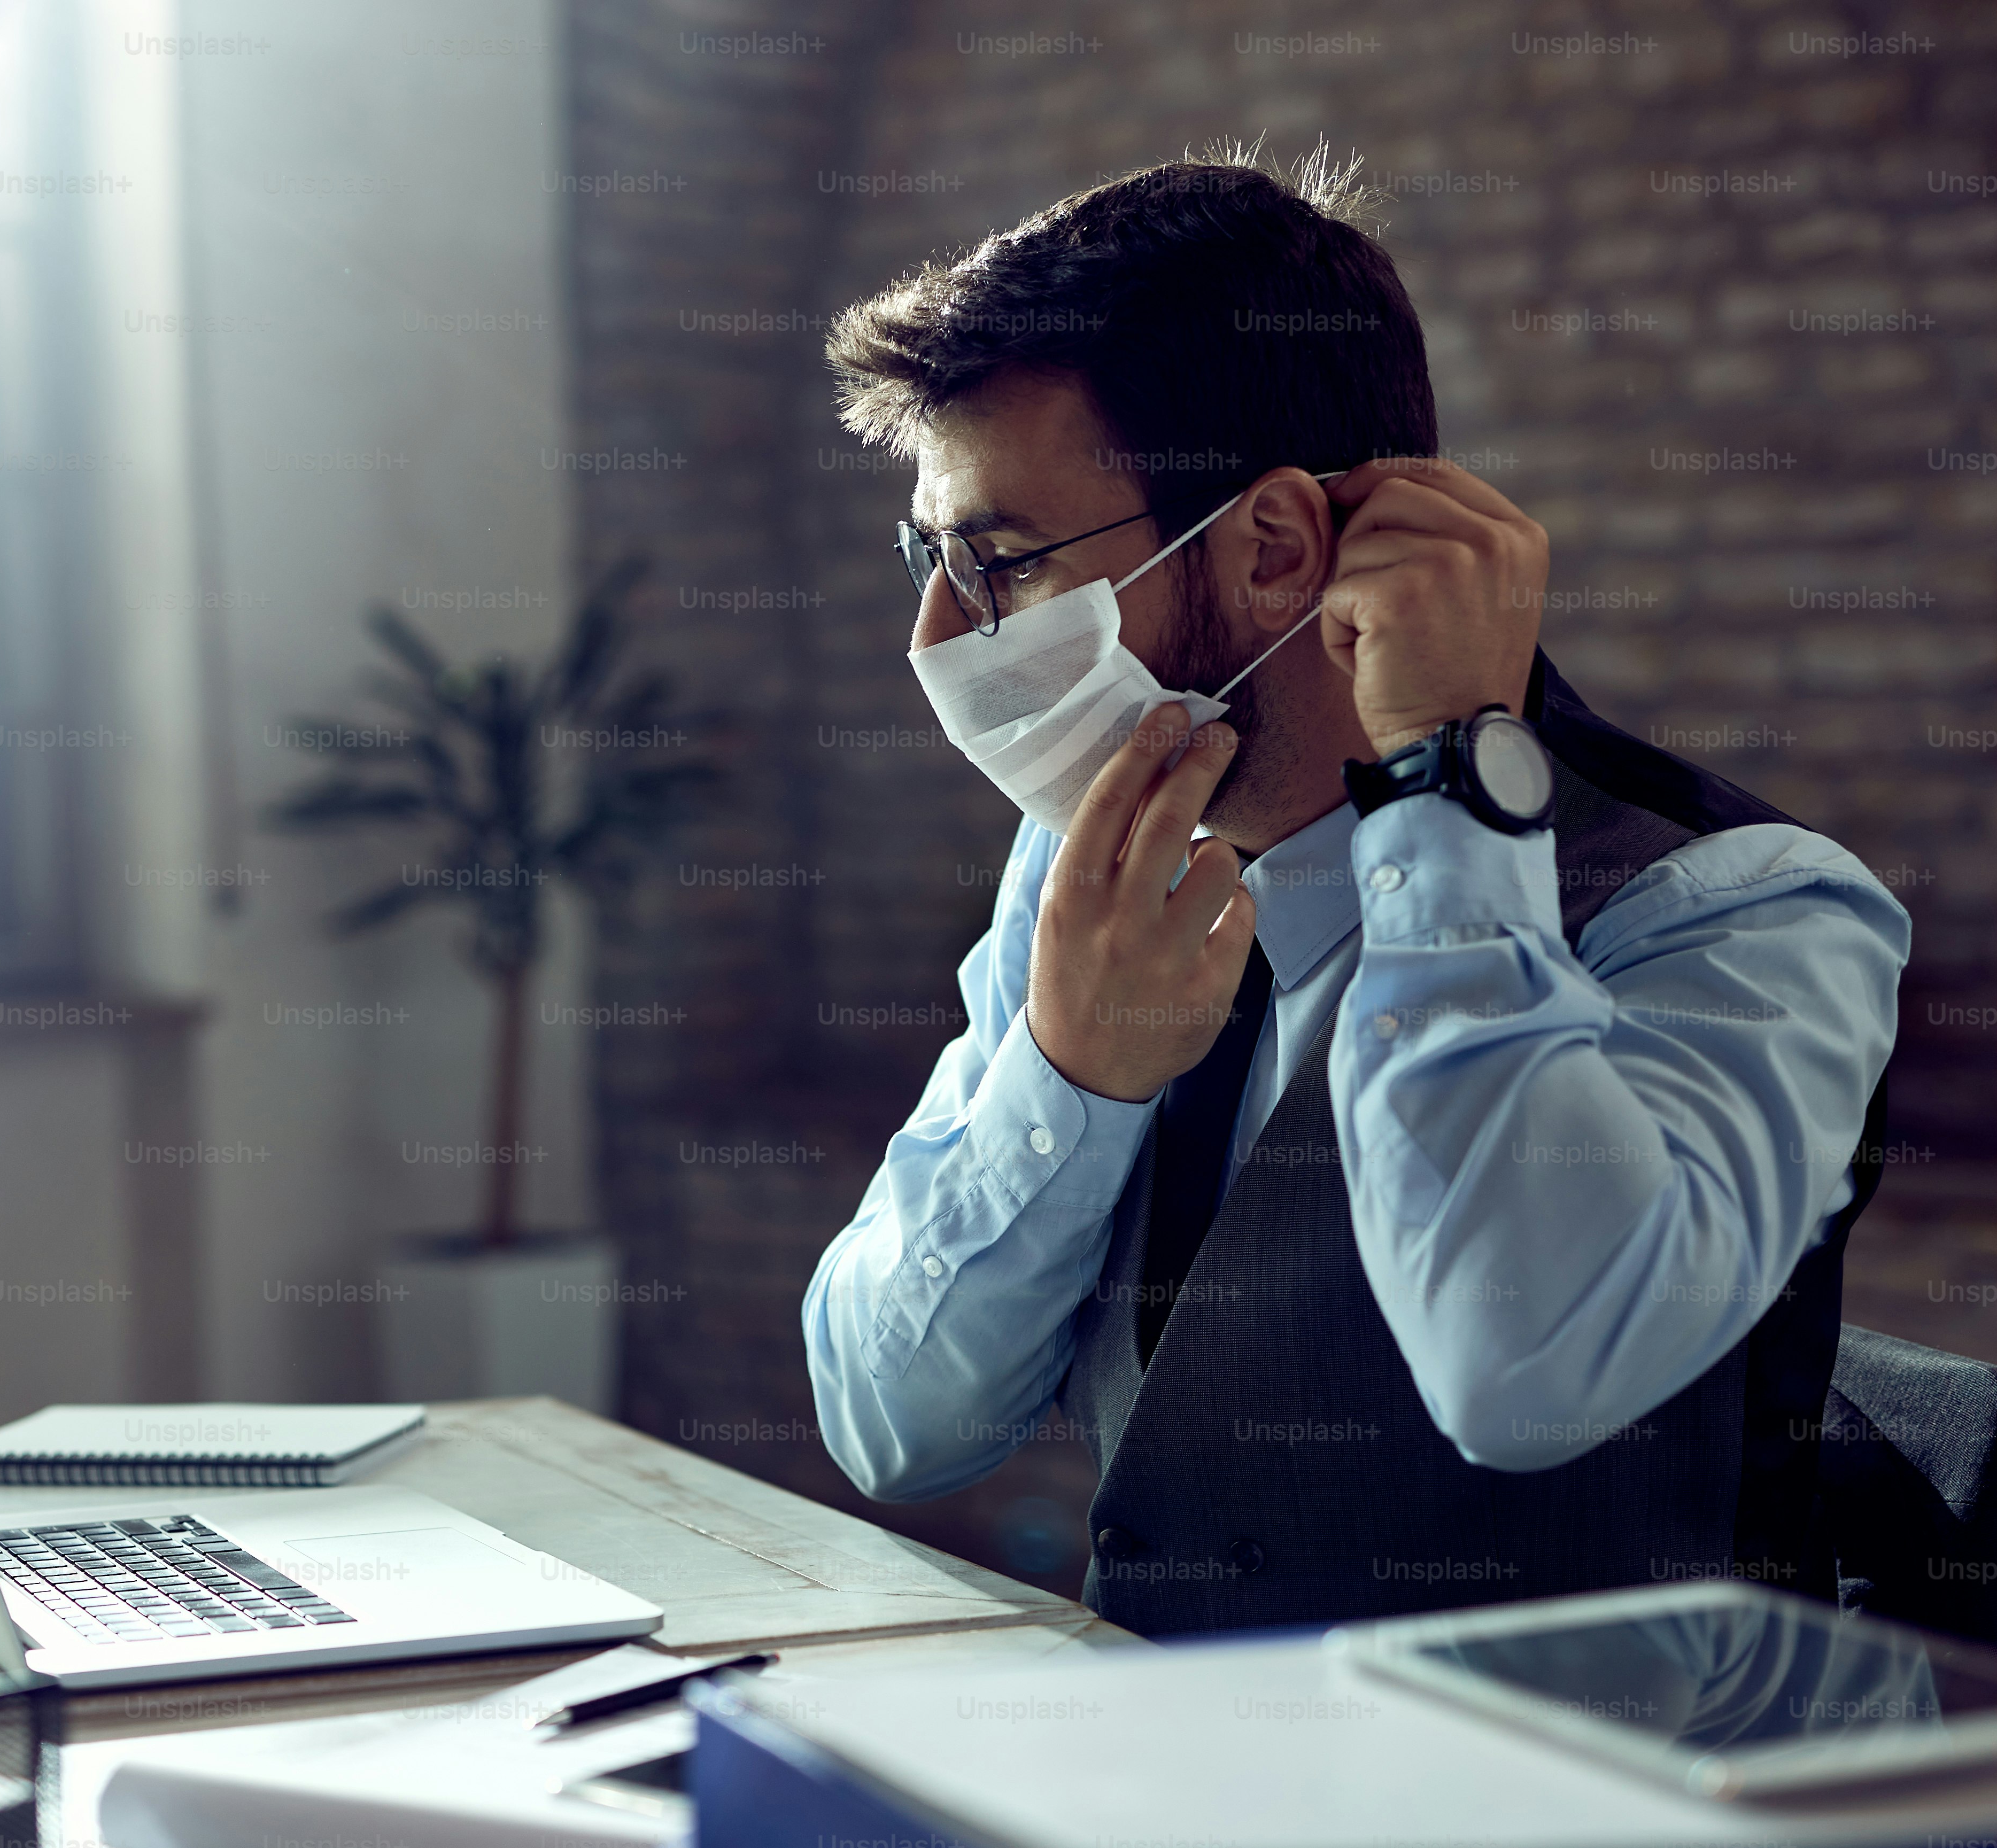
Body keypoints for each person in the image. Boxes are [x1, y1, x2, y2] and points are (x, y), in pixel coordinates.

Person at [800, 148, 1907, 1637]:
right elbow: (889, 1420)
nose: (939, 630)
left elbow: (1518, 1374)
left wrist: (1453, 785)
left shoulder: (1743, 911)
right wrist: (1069, 1077)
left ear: (1268, 552)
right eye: (926, 557)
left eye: (998, 562)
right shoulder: (1088, 870)